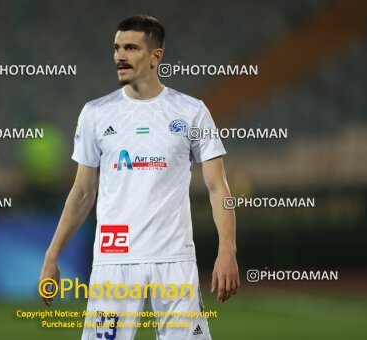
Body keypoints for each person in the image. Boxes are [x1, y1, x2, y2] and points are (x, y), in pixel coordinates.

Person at [39, 15, 239, 340]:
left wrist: (227, 251)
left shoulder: (191, 112)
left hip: (174, 256)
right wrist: (51, 255)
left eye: (131, 48)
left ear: (155, 56)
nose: (120, 55)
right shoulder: (96, 113)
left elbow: (219, 187)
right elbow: (82, 193)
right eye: (117, 48)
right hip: (113, 257)